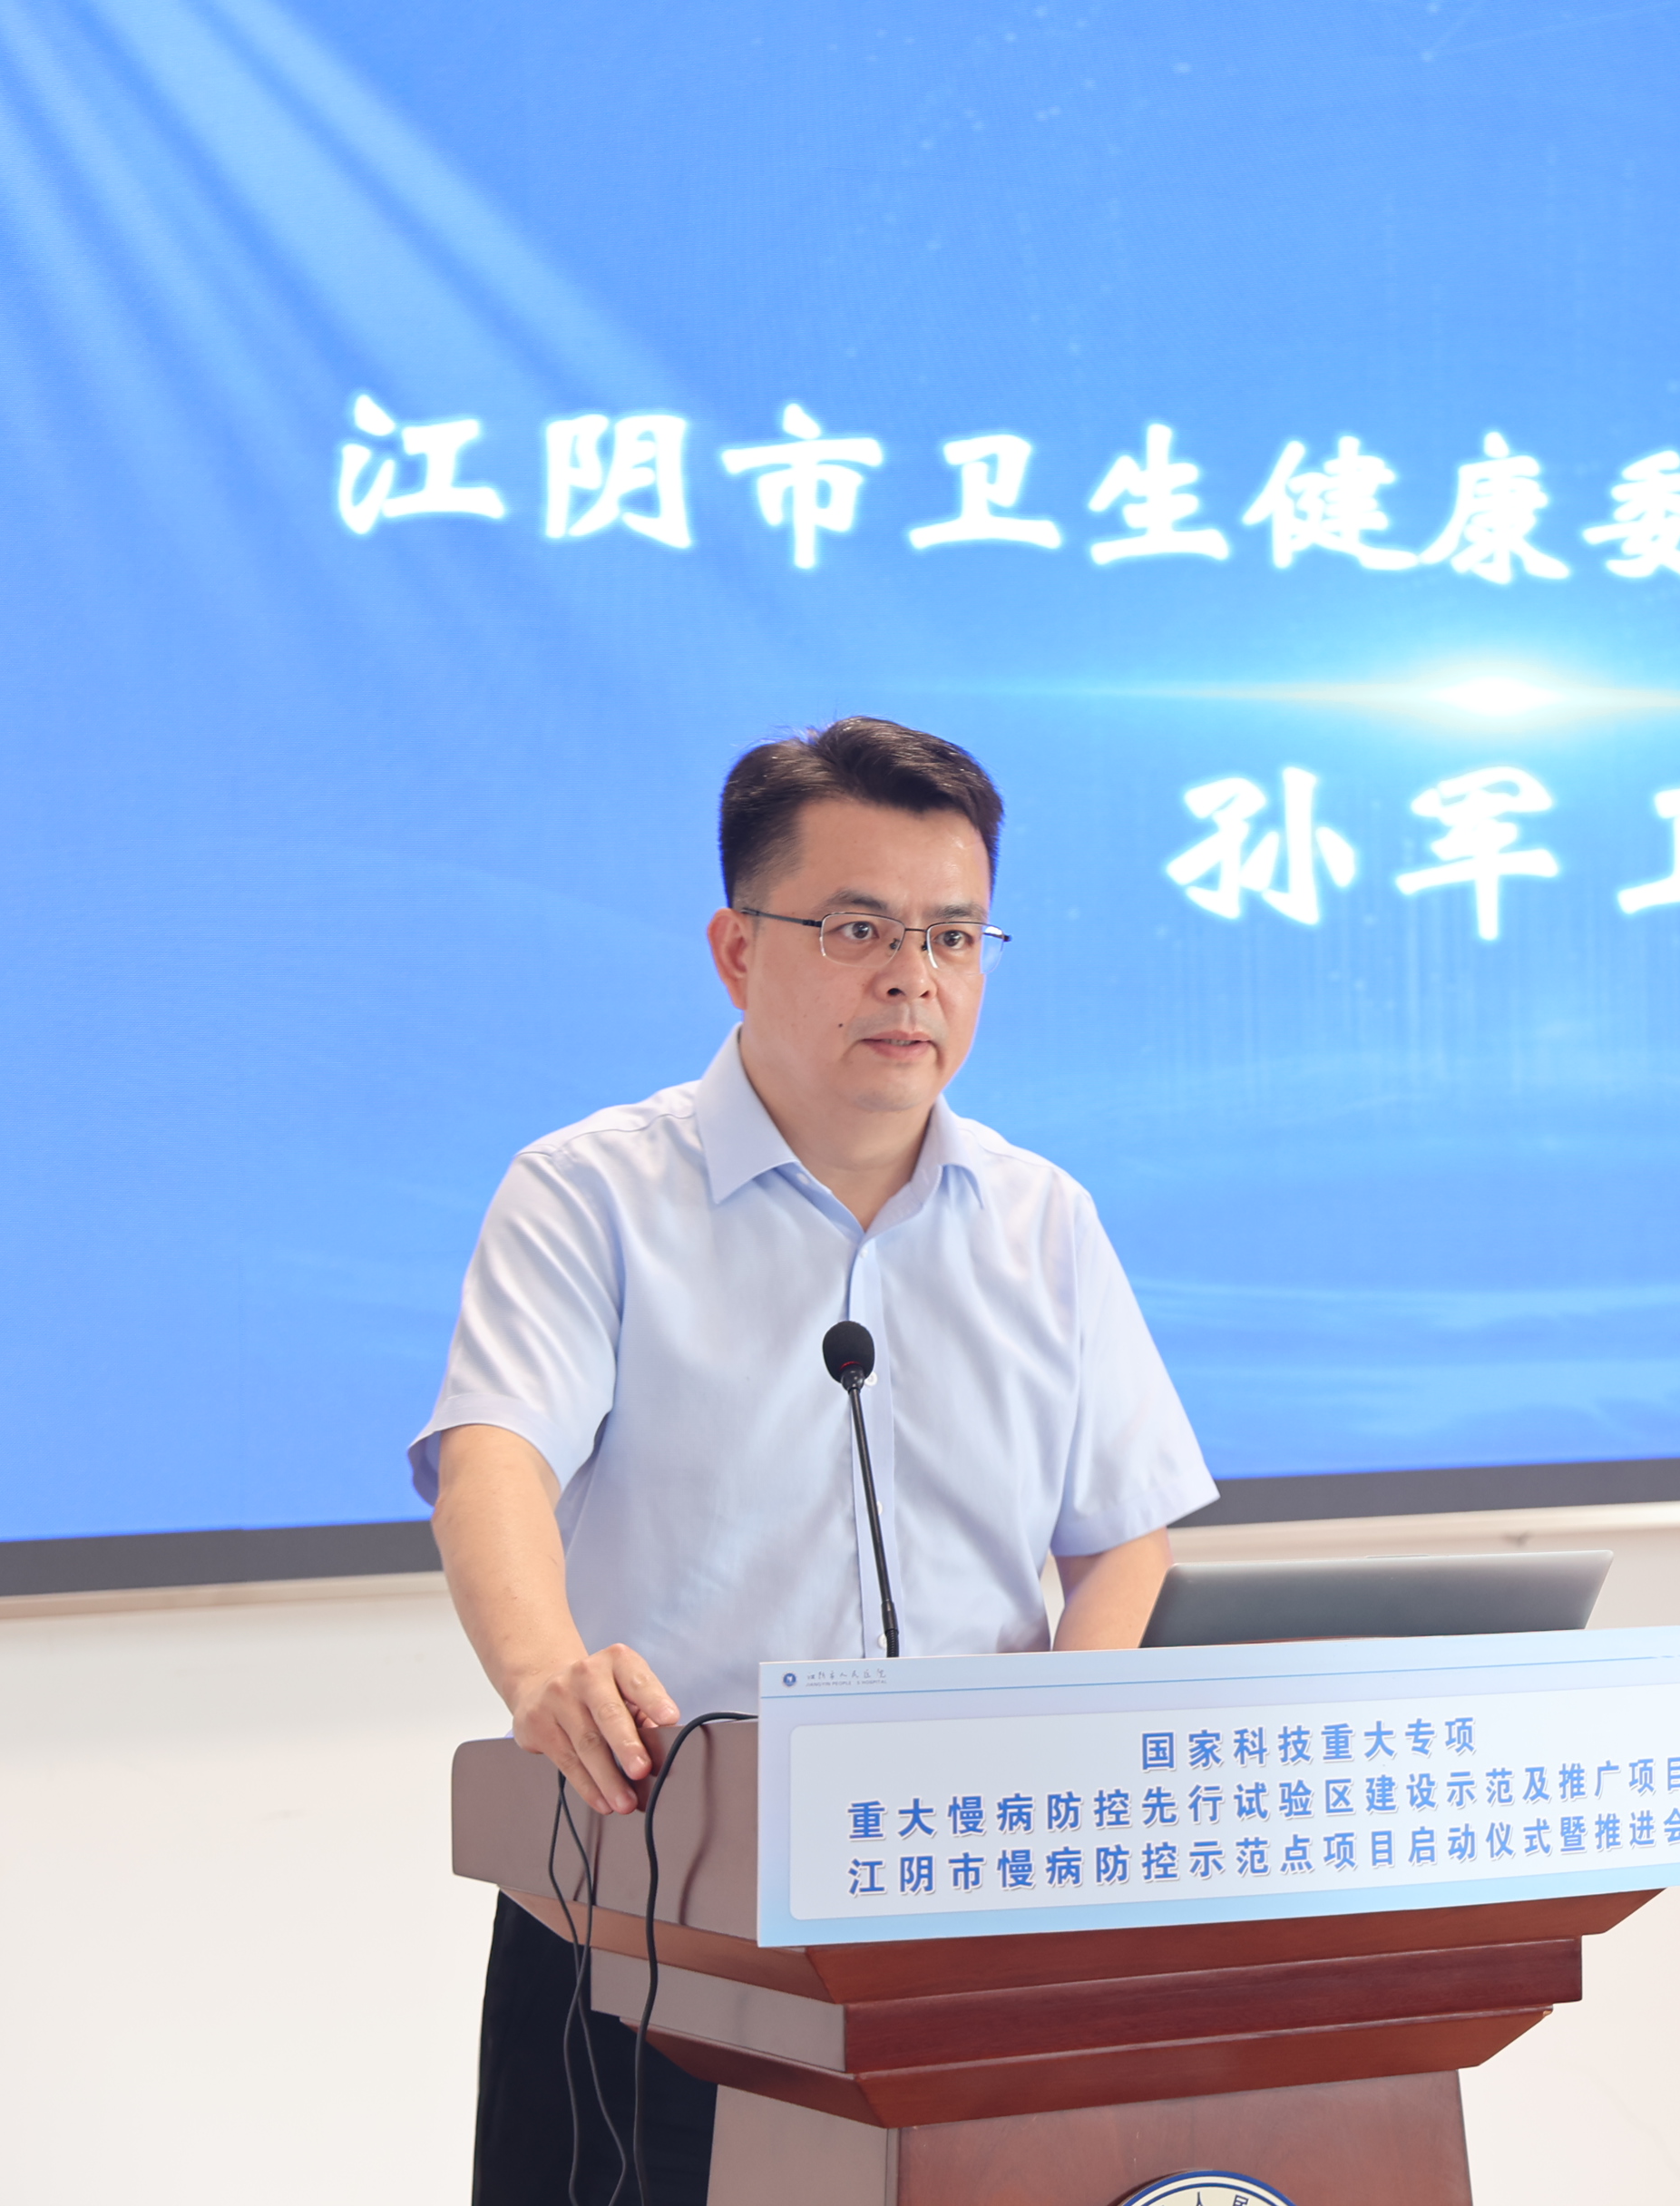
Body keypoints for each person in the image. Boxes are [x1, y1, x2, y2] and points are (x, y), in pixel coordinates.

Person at [411, 717, 1215, 2206]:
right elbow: (493, 1457)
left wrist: (1071, 1745)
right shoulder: (591, 1193)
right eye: (860, 929)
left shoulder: (1044, 1220)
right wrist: (544, 1676)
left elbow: (1123, 1534)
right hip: (656, 1907)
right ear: (737, 949)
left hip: (969, 1907)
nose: (915, 976)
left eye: (954, 935)